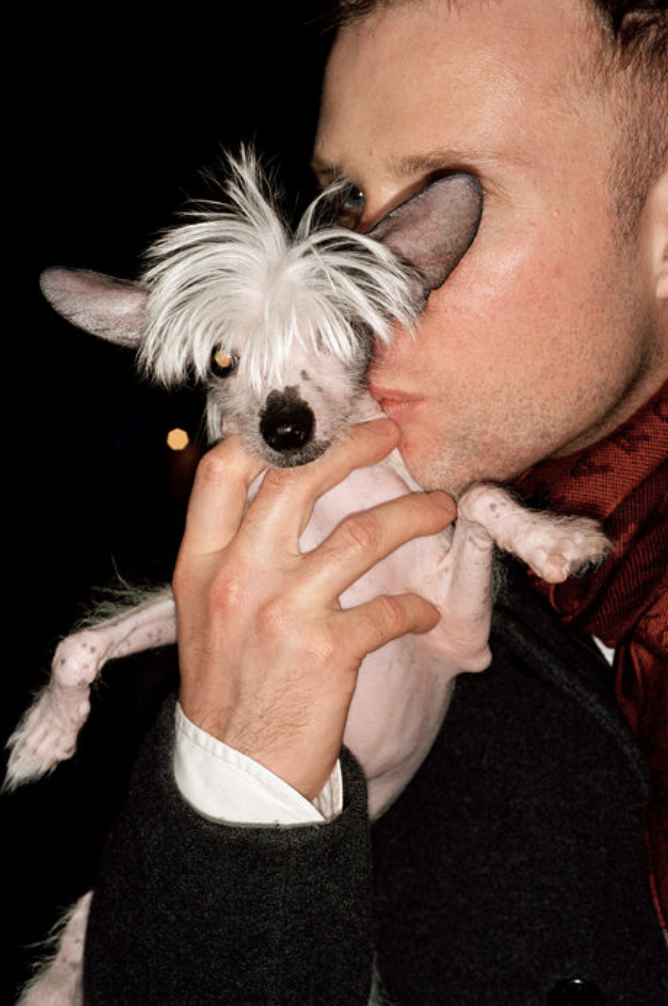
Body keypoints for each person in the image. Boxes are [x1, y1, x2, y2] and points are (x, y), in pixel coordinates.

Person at [82, 0, 667, 1002]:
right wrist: (241, 797)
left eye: (453, 195)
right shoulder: (306, 613)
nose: (346, 279)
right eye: (344, 198)